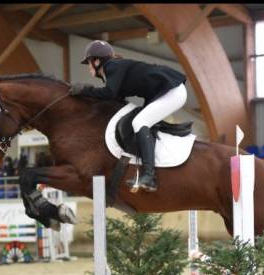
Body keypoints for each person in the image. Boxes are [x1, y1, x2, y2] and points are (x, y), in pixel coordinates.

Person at [68, 40, 188, 193]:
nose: (89, 67)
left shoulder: (112, 66)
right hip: (167, 91)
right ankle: (145, 172)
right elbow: (115, 99)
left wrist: (85, 90)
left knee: (140, 122)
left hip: (172, 91)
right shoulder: (114, 69)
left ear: (97, 61)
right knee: (139, 121)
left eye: (89, 63)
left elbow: (109, 94)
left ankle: (150, 177)